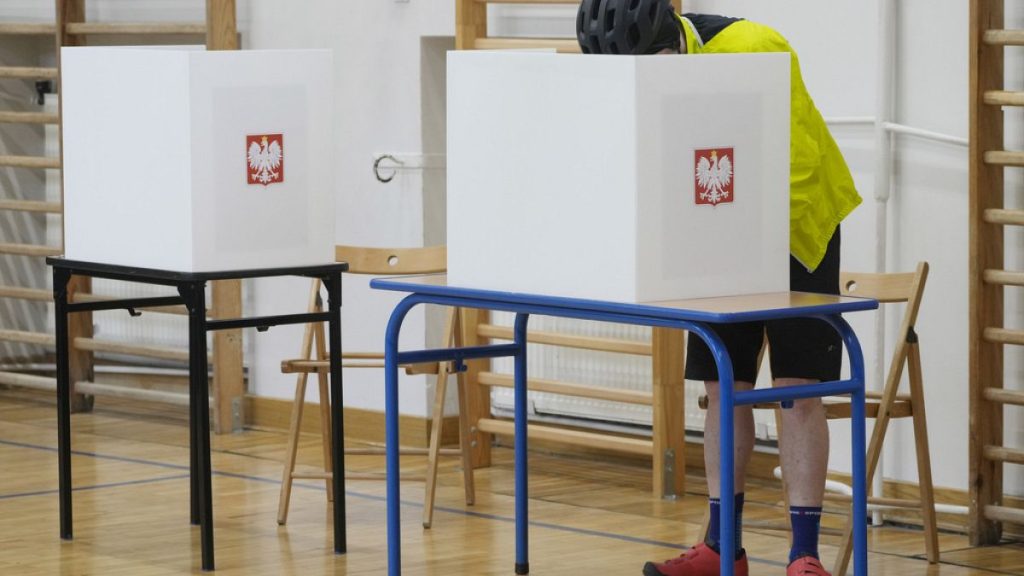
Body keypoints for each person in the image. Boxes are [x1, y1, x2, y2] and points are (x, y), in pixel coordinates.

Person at [576, 1, 863, 575]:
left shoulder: (752, 48)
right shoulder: (638, 79)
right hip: (718, 232)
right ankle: (721, 547)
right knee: (719, 384)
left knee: (795, 389)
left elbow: (799, 168)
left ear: (668, 48)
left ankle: (804, 557)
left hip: (799, 226)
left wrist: (743, 244)